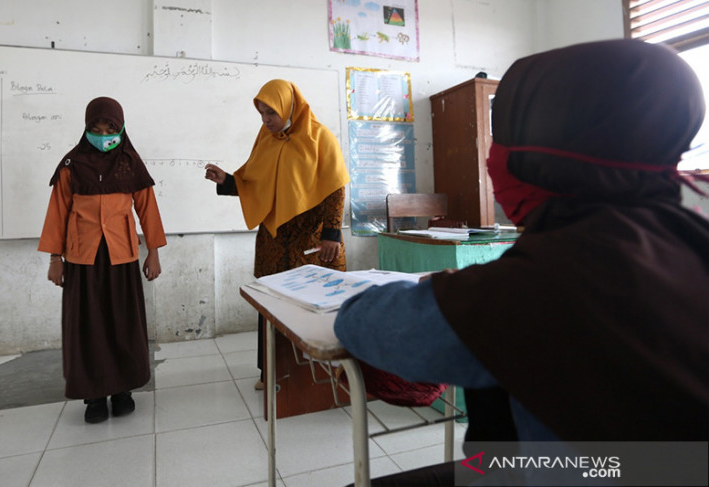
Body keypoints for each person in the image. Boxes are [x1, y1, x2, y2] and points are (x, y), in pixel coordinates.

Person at [334, 39, 708, 485]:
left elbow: (364, 324)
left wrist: (447, 290)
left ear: (541, 153)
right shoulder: (691, 233)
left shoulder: (535, 284)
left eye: (503, 138)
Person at [205, 79, 349, 389]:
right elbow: (256, 183)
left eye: (271, 112)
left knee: (313, 305)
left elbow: (335, 188)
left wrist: (332, 233)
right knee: (272, 303)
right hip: (273, 240)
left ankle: (321, 376)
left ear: (289, 106)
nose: (266, 120)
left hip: (311, 239)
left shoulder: (319, 137)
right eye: (261, 113)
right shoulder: (266, 139)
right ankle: (271, 372)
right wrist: (228, 180)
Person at [38, 97, 167, 424]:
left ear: (121, 128)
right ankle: (94, 395)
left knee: (123, 323)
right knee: (88, 328)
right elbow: (57, 213)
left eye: (110, 127)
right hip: (82, 260)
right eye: (96, 128)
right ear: (86, 128)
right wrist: (56, 258)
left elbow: (147, 208)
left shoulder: (130, 163)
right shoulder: (71, 166)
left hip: (122, 257)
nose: (103, 133)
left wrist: (152, 251)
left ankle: (123, 390)